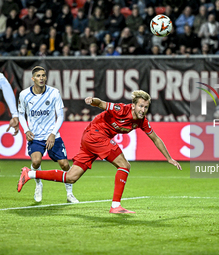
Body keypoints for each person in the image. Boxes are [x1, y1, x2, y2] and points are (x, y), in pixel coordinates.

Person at [18, 90, 182, 213]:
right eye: (141, 106)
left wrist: (168, 158)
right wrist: (92, 100)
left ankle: (29, 174)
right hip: (96, 135)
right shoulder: (121, 109)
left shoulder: (142, 121)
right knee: (124, 165)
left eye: (146, 107)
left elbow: (155, 138)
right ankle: (116, 205)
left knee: (71, 177)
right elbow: (102, 103)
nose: (143, 109)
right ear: (133, 105)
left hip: (92, 138)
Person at [17, 66, 79, 203]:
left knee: (64, 164)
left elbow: (60, 115)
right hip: (36, 136)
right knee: (36, 161)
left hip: (53, 135)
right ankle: (38, 185)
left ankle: (69, 194)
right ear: (33, 79)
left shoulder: (54, 93)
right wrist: (26, 130)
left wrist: (52, 133)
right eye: (38, 76)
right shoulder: (24, 95)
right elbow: (21, 114)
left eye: (43, 75)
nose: (41, 78)